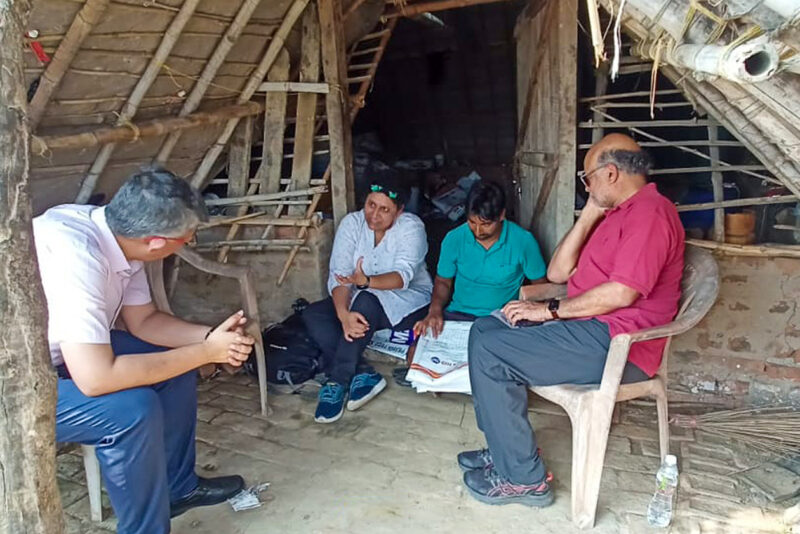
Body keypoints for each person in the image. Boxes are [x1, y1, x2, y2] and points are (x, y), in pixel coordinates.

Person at [459, 134, 685, 507]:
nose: (586, 187)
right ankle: (504, 450)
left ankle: (523, 479)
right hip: (592, 330)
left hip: (618, 346)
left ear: (610, 173)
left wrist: (549, 311)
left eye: (588, 179)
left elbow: (621, 294)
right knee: (485, 329)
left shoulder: (650, 214)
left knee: (492, 351)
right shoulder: (616, 214)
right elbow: (559, 272)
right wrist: (591, 213)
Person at [34, 167, 255, 534]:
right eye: (187, 239)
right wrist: (205, 354)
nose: (187, 243)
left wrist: (209, 339)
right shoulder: (77, 254)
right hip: (14, 383)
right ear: (157, 241)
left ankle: (177, 489)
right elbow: (96, 378)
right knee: (131, 412)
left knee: (174, 365)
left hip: (59, 355)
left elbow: (145, 322)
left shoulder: (122, 239)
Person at [302, 172, 432, 423]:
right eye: (371, 205)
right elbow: (339, 275)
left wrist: (366, 282)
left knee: (365, 300)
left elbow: (403, 277)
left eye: (385, 209)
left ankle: (337, 381)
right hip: (361, 298)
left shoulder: (412, 227)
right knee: (314, 314)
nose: (375, 214)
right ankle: (363, 373)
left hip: (407, 300)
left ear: (399, 210)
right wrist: (342, 315)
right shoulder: (352, 224)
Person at [394, 181, 546, 386]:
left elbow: (541, 286)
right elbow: (443, 282)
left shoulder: (523, 241)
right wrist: (435, 310)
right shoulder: (454, 238)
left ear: (501, 215)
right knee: (415, 353)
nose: (477, 231)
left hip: (500, 318)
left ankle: (448, 382)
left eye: (485, 224)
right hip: (459, 314)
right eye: (472, 222)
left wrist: (528, 315)